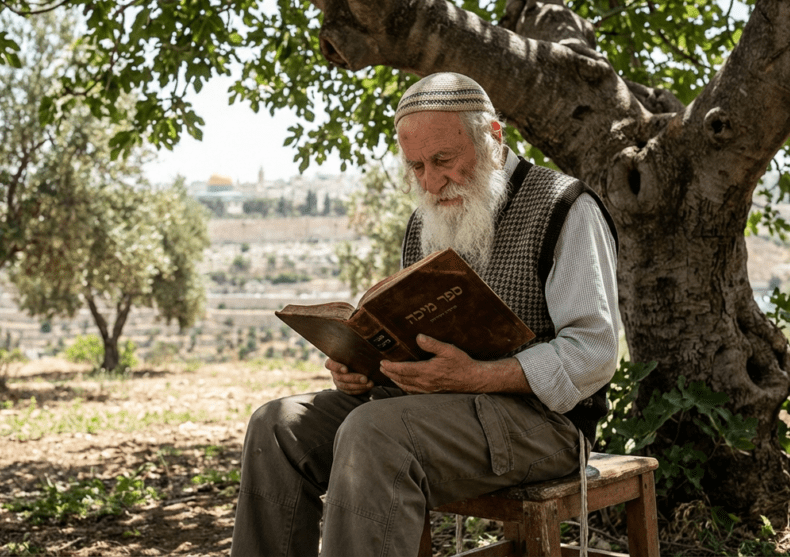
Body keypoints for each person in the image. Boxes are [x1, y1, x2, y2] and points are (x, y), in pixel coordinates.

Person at [230, 72, 620, 557]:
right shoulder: (425, 220)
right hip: (435, 409)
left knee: (374, 433)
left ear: (492, 138)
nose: (431, 182)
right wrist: (363, 367)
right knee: (277, 425)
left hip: (545, 426)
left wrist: (478, 376)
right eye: (416, 166)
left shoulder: (564, 206)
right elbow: (411, 337)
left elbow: (595, 352)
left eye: (443, 160)